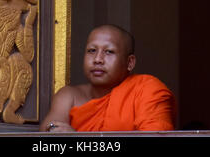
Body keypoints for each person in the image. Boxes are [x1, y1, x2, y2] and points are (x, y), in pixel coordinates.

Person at [40, 24, 176, 132]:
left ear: (130, 63)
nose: (98, 59)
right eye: (92, 51)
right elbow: (47, 139)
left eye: (109, 52)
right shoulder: (69, 96)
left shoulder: (147, 90)